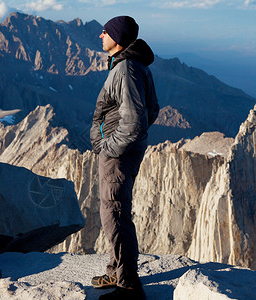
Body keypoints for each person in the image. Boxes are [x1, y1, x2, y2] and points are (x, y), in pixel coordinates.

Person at [90, 16, 159, 300]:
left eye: (105, 32)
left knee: (115, 215)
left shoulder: (127, 68)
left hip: (117, 155)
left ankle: (128, 286)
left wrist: (110, 147)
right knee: (114, 212)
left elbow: (135, 121)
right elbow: (152, 109)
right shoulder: (132, 64)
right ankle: (116, 271)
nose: (100, 35)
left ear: (117, 38)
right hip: (122, 152)